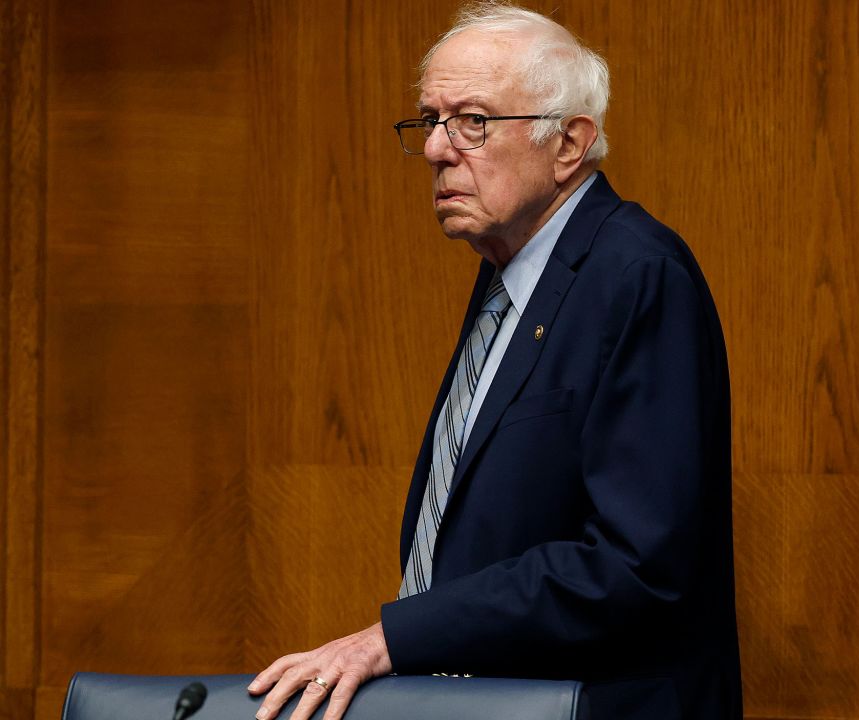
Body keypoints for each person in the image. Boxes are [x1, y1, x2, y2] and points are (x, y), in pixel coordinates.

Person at [249, 3, 741, 719]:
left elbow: (635, 565)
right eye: (430, 121)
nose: (437, 150)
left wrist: (394, 639)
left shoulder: (636, 275)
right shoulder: (512, 274)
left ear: (570, 143)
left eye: (473, 122)